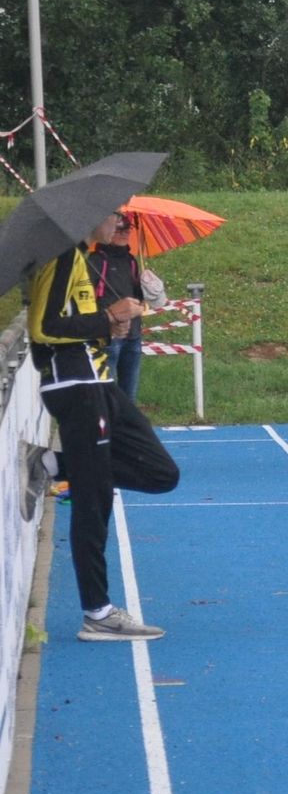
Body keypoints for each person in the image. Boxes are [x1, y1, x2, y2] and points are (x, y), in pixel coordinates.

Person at [23, 211, 181, 640]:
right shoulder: (60, 255)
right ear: (91, 214)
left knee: (162, 473)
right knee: (93, 501)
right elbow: (44, 327)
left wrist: (110, 327)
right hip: (76, 386)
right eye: (115, 215)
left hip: (99, 382)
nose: (119, 224)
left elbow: (77, 323)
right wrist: (107, 317)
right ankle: (98, 612)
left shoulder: (80, 255)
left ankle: (52, 464)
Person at [89, 212, 147, 400]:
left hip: (134, 335)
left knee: (129, 396)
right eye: (119, 228)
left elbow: (139, 298)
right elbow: (87, 301)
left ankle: (126, 419)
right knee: (109, 395)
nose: (124, 233)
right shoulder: (96, 261)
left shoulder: (132, 261)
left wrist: (150, 287)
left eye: (128, 229)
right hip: (109, 337)